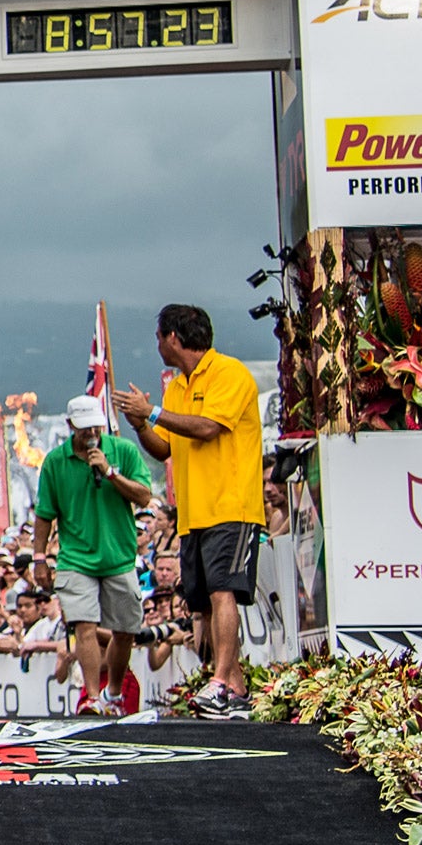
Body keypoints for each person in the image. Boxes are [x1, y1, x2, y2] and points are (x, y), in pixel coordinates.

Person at [114, 304, 261, 719]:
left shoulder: (229, 374)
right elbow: (165, 449)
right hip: (194, 510)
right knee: (203, 603)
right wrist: (141, 424)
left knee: (223, 590)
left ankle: (220, 682)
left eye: (159, 336)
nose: (157, 345)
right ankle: (234, 687)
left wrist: (153, 413)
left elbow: (208, 427)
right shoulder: (176, 387)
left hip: (232, 504)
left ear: (174, 338)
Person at [33, 394, 154, 714]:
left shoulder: (123, 451)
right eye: (84, 428)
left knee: (126, 630)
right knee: (83, 626)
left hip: (119, 554)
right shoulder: (55, 462)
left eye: (95, 427)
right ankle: (91, 695)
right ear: (70, 425)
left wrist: (111, 473)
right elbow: (44, 513)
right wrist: (39, 557)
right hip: (76, 557)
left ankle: (113, 691)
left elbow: (144, 496)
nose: (91, 434)